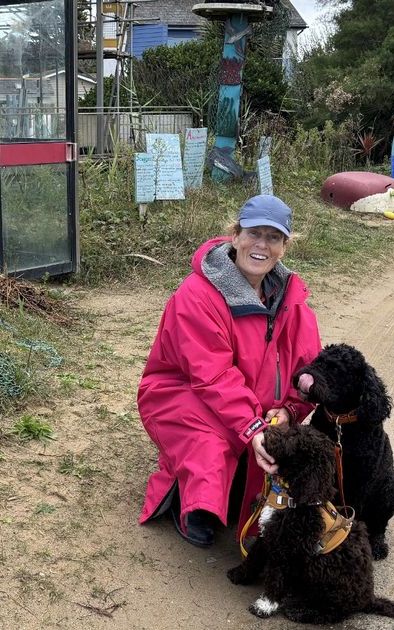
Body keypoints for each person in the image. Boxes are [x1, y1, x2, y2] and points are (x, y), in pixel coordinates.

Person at [137, 194, 322, 547]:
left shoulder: (292, 302)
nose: (261, 245)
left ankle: (236, 487)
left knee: (282, 448)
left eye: (273, 237)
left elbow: (307, 367)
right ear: (235, 236)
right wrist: (253, 427)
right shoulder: (196, 295)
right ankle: (192, 505)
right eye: (254, 233)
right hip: (181, 391)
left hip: (247, 402)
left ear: (284, 247)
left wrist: (289, 409)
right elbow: (211, 375)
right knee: (209, 437)